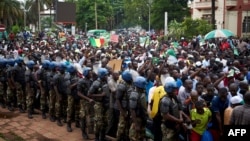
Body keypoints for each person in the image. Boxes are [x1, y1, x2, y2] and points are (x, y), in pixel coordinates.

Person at [88, 68, 109, 141]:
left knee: (105, 122)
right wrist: (100, 95)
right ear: (102, 75)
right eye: (105, 75)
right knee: (98, 123)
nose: (107, 76)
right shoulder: (96, 83)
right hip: (98, 104)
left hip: (105, 104)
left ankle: (102, 137)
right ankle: (97, 138)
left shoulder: (105, 81)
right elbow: (89, 94)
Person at [115, 70, 134, 141]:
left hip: (130, 108)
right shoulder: (122, 85)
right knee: (121, 127)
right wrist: (122, 112)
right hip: (124, 108)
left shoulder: (131, 83)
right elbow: (117, 99)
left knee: (127, 127)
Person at [129, 76, 147, 141]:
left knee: (141, 137)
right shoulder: (134, 94)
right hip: (137, 119)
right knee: (134, 137)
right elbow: (132, 110)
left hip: (142, 119)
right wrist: (136, 124)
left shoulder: (142, 93)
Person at [78, 67, 93, 139]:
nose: (91, 73)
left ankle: (90, 131)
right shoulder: (81, 81)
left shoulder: (91, 80)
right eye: (90, 73)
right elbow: (79, 93)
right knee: (83, 117)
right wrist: (88, 99)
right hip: (84, 101)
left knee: (90, 117)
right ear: (86, 74)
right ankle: (83, 132)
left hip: (90, 101)